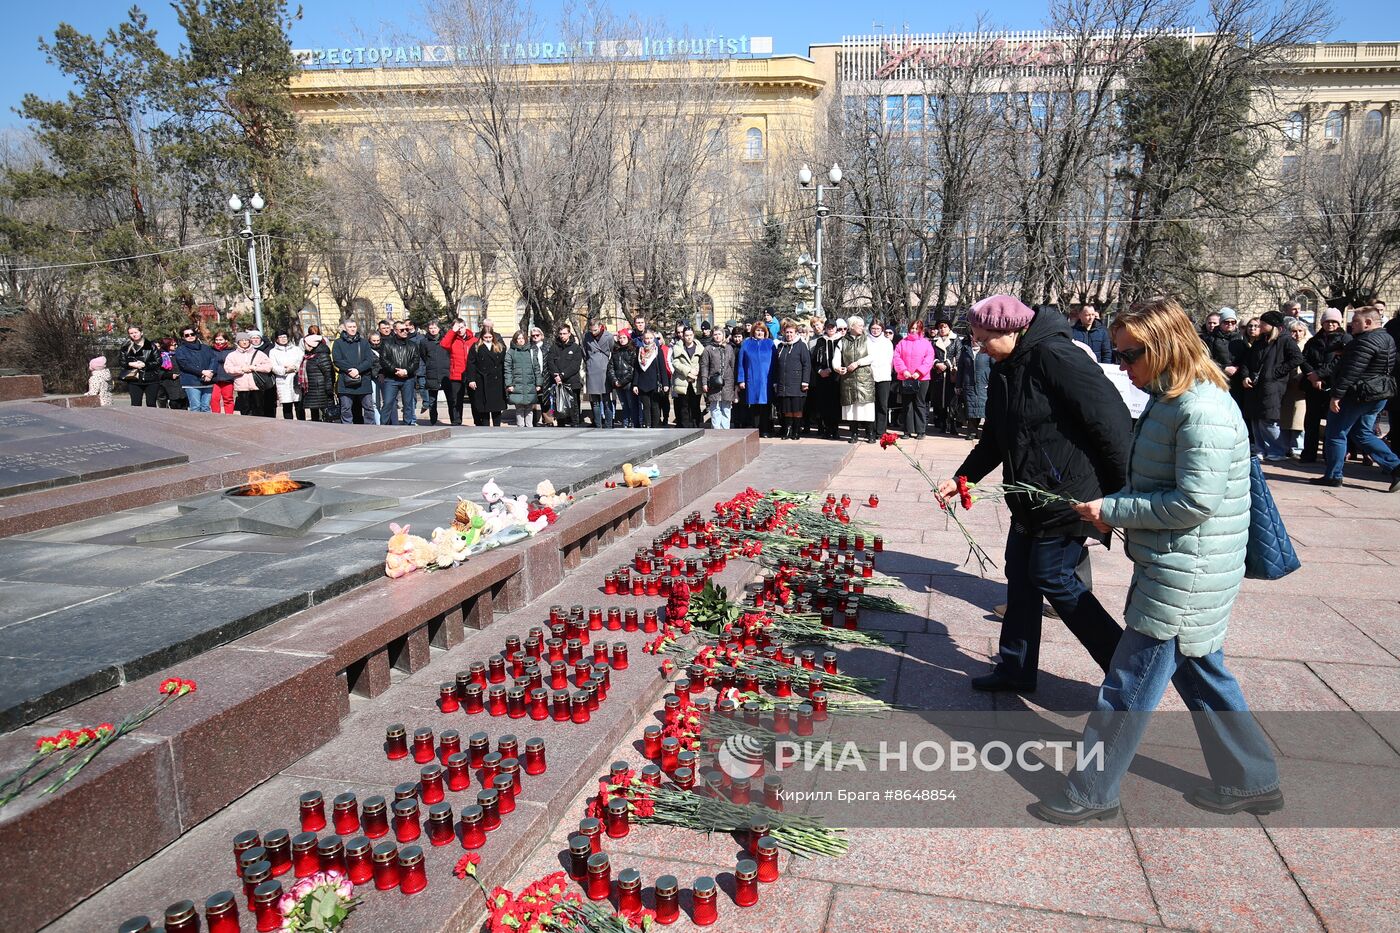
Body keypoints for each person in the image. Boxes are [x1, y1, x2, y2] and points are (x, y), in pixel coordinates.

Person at [1032, 295, 1282, 825]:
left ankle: (1091, 791)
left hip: (1185, 573)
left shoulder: (1199, 408)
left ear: (1165, 345)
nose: (1123, 365)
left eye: (1129, 354)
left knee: (1127, 687)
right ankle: (1253, 778)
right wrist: (1115, 511)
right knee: (1202, 675)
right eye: (1119, 354)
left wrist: (1113, 508)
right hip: (1183, 564)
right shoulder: (1175, 398)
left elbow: (1194, 502)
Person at [938, 295, 1131, 693]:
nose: (980, 348)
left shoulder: (1057, 357)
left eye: (984, 339)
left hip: (1068, 494)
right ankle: (1015, 669)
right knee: (1021, 577)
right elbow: (995, 439)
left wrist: (1120, 497)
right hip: (1028, 497)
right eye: (975, 339)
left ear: (1012, 330)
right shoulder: (1005, 368)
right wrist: (964, 478)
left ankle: (1126, 667)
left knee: (1053, 577)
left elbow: (1110, 422)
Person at [1311, 305, 1400, 490]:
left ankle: (1333, 475)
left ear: (1368, 323)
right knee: (1362, 433)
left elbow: (1352, 372)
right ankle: (1395, 467)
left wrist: (1336, 396)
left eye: (1355, 321)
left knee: (1336, 433)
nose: (1351, 325)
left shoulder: (1364, 342)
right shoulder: (1386, 338)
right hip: (1378, 393)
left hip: (1357, 394)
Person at [1240, 310, 1304, 461]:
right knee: (1255, 419)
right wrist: (1245, 376)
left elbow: (1297, 358)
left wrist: (1275, 373)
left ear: (1274, 325)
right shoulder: (1260, 341)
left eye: (1264, 323)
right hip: (1254, 386)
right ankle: (1261, 449)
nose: (1260, 326)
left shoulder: (1285, 340)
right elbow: (1247, 361)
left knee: (1268, 419)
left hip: (1272, 386)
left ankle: (1277, 450)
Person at [1300, 308, 1350, 462]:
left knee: (1333, 422)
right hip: (1313, 385)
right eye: (1327, 321)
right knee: (1311, 420)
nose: (1330, 324)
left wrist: (1320, 374)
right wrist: (1312, 376)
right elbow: (1303, 359)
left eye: (1334, 321)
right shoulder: (1314, 340)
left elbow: (1340, 362)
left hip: (1333, 386)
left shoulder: (1345, 339)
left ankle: (1330, 455)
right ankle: (1309, 453)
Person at [836, 316, 876, 443]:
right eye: (860, 325)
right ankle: (853, 434)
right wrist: (837, 368)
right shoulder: (842, 341)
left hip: (864, 378)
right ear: (852, 326)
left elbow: (872, 356)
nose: (862, 328)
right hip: (848, 379)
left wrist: (858, 362)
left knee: (866, 407)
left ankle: (870, 434)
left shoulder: (867, 340)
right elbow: (836, 358)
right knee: (851, 408)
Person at [892, 319, 933, 438]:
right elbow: (897, 357)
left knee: (920, 403)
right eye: (912, 328)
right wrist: (903, 370)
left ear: (920, 329)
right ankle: (907, 430)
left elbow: (928, 359)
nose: (914, 330)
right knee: (907, 404)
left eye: (916, 328)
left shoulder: (926, 343)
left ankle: (921, 430)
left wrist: (919, 372)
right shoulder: (902, 342)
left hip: (922, 378)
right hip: (906, 377)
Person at [771, 318, 811, 440]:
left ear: (795, 333)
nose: (789, 335)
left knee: (797, 408)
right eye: (787, 332)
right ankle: (788, 430)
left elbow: (807, 364)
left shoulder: (801, 346)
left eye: (791, 332)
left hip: (797, 383)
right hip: (784, 383)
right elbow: (776, 365)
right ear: (783, 332)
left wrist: (805, 381)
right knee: (787, 408)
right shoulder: (780, 346)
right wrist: (775, 382)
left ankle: (796, 430)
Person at [332, 319, 378, 425]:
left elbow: (369, 360)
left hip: (363, 379)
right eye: (350, 327)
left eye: (354, 327)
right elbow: (337, 360)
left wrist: (358, 370)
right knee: (346, 409)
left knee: (369, 408)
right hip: (346, 380)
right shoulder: (338, 343)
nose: (352, 329)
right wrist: (350, 370)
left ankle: (370, 429)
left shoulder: (364, 342)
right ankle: (348, 430)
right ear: (344, 328)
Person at [378, 320, 422, 426]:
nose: (405, 331)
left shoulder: (413, 345)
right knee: (388, 403)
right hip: (391, 379)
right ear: (395, 330)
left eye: (407, 329)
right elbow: (384, 360)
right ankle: (383, 426)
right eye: (402, 330)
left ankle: (407, 425)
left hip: (408, 379)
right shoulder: (387, 344)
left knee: (408, 404)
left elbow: (416, 361)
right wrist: (395, 371)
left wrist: (406, 371)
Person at [736, 321, 775, 436]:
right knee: (754, 405)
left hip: (766, 380)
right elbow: (741, 363)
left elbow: (776, 362)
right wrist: (741, 379)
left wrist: (775, 380)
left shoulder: (770, 344)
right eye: (757, 330)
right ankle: (755, 429)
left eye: (762, 330)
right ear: (753, 331)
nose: (760, 332)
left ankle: (765, 430)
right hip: (752, 379)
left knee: (765, 405)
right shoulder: (746, 344)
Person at [223, 332, 273, 417]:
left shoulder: (259, 353)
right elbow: (228, 368)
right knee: (245, 410)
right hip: (242, 387)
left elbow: (268, 366)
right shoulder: (232, 355)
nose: (244, 342)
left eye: (246, 340)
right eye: (242, 340)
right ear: (237, 342)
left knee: (259, 409)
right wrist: (241, 369)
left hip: (257, 386)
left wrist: (255, 367)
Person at [808, 319, 843, 439]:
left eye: (833, 327)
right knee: (825, 404)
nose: (831, 329)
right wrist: (820, 371)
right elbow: (813, 360)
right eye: (828, 327)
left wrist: (837, 369)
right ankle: (827, 429)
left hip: (837, 377)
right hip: (823, 378)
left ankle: (836, 429)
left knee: (836, 404)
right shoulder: (821, 341)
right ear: (825, 328)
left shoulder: (841, 340)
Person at [545, 322, 584, 426]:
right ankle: (561, 424)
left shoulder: (575, 348)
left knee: (574, 406)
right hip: (557, 382)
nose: (562, 336)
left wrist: (562, 375)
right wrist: (556, 375)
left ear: (569, 333)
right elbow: (550, 362)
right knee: (559, 406)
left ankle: (575, 423)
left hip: (572, 382)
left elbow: (575, 366)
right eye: (561, 333)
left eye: (564, 333)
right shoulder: (554, 347)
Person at [1281, 319, 1311, 457]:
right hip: (1287, 385)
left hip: (1301, 386)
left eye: (1300, 331)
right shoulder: (1285, 344)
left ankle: (1297, 447)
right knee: (1285, 417)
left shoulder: (1308, 344)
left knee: (1299, 418)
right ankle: (1286, 446)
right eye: (1294, 331)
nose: (1297, 334)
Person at [467, 330, 507, 426]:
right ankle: (485, 428)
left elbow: (504, 363)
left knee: (496, 407)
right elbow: (471, 364)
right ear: (481, 337)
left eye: (490, 337)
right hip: (482, 380)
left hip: (497, 380)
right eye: (486, 337)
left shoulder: (499, 347)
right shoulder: (476, 347)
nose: (488, 339)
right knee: (484, 408)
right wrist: (471, 380)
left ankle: (497, 427)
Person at [699, 325, 736, 429]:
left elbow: (732, 365)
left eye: (719, 334)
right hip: (713, 382)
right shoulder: (708, 349)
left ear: (723, 335)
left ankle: (725, 430)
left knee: (726, 407)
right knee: (715, 407)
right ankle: (716, 430)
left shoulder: (729, 348)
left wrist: (733, 382)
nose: (717, 336)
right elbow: (704, 366)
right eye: (715, 334)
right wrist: (704, 382)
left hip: (727, 382)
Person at [929, 318, 963, 434]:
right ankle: (942, 424)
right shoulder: (934, 341)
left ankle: (952, 424)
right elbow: (930, 355)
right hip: (938, 375)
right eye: (940, 327)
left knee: (952, 401)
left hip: (951, 375)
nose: (942, 329)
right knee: (940, 401)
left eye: (945, 327)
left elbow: (959, 355)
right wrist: (936, 364)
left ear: (949, 328)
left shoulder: (956, 340)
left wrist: (947, 364)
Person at [440, 321, 476, 426]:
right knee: (456, 401)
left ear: (466, 327)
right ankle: (456, 421)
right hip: (456, 374)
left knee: (474, 400)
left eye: (461, 327)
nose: (460, 329)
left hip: (471, 374)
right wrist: (452, 331)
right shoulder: (452, 340)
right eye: (457, 328)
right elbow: (443, 344)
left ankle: (478, 422)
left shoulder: (474, 340)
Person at [173, 326, 216, 413]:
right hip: (191, 382)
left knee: (206, 407)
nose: (190, 336)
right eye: (187, 335)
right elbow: (185, 365)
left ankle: (207, 425)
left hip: (208, 381)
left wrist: (210, 372)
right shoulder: (180, 350)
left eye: (192, 334)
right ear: (183, 337)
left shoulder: (206, 348)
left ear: (196, 335)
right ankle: (195, 426)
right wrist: (202, 372)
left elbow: (214, 360)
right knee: (195, 407)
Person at [633, 331, 670, 427]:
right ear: (643, 339)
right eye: (646, 338)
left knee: (655, 406)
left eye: (650, 338)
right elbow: (636, 369)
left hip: (655, 383)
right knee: (646, 407)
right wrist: (635, 384)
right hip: (642, 383)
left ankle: (655, 426)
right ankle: (648, 426)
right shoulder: (639, 351)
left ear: (653, 339)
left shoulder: (658, 351)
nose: (648, 340)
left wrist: (665, 383)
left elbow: (662, 368)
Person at [504, 329, 541, 427]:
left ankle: (529, 427)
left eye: (522, 338)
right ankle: (520, 428)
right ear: (515, 340)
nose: (520, 340)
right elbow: (507, 369)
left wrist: (538, 383)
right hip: (517, 385)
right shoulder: (511, 352)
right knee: (519, 409)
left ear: (525, 339)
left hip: (530, 384)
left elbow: (536, 368)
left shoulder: (531, 351)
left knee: (529, 409)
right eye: (518, 338)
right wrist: (509, 384)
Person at [956, 336, 991, 440]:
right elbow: (960, 369)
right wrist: (958, 385)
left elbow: (994, 367)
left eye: (977, 340)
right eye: (973, 340)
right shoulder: (966, 351)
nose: (974, 342)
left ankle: (986, 433)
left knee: (984, 409)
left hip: (984, 385)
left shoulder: (987, 351)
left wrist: (991, 381)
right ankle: (971, 432)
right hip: (969, 385)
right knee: (971, 409)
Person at [119, 326, 163, 407]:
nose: (134, 335)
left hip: (151, 378)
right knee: (135, 404)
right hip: (133, 379)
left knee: (151, 404)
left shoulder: (151, 346)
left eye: (136, 332)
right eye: (131, 333)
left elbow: (158, 361)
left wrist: (145, 365)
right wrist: (130, 364)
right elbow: (121, 362)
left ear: (141, 332)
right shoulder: (125, 346)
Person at [583, 319, 616, 428]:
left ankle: (609, 424)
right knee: (595, 401)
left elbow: (613, 351)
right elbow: (584, 351)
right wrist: (588, 363)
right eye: (591, 330)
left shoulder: (609, 336)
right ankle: (598, 424)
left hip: (604, 369)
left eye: (595, 330)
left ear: (601, 327)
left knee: (606, 399)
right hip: (592, 369)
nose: (593, 332)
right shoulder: (587, 336)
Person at [867, 320, 895, 439]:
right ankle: (871, 430)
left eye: (878, 328)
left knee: (882, 404)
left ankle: (881, 431)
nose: (875, 330)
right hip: (869, 376)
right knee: (870, 404)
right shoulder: (866, 340)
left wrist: (889, 372)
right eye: (873, 328)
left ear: (882, 329)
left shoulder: (887, 342)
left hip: (884, 376)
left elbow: (890, 359)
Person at [269, 332, 305, 420]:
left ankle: (303, 424)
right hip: (283, 380)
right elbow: (273, 366)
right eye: (280, 337)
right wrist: (285, 370)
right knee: (287, 406)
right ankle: (289, 426)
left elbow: (302, 360)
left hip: (296, 378)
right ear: (277, 339)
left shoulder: (296, 349)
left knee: (299, 404)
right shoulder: (273, 351)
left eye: (285, 337)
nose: (283, 339)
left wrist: (294, 368)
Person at [671, 326, 702, 429]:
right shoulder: (678, 348)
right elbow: (675, 362)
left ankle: (696, 426)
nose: (688, 337)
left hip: (695, 381)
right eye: (686, 335)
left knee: (695, 406)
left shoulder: (699, 348)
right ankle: (685, 428)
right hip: (682, 380)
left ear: (693, 335)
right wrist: (688, 371)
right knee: (683, 406)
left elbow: (703, 362)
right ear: (683, 336)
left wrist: (695, 371)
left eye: (690, 335)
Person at [300, 332, 336, 422]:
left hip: (321, 390)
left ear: (311, 345)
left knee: (327, 413)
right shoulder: (309, 355)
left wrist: (329, 389)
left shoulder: (322, 355)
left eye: (305, 344)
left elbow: (328, 373)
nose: (304, 346)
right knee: (314, 414)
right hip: (312, 390)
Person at [421, 321, 451, 426]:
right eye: (431, 328)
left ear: (439, 329)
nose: (433, 330)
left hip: (446, 374)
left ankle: (454, 421)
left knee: (451, 400)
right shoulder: (424, 342)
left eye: (435, 327)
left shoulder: (446, 340)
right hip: (432, 374)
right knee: (432, 401)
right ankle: (433, 421)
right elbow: (424, 356)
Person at [609, 329, 640, 428]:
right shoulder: (615, 350)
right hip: (618, 382)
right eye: (620, 338)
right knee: (624, 405)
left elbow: (633, 369)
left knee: (632, 405)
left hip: (628, 383)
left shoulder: (633, 350)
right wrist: (615, 380)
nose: (622, 340)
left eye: (624, 337)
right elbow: (611, 366)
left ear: (628, 338)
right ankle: (625, 423)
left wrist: (622, 382)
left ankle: (633, 423)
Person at [245, 332, 276, 417]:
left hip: (267, 379)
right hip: (252, 380)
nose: (255, 340)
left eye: (257, 338)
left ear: (261, 338)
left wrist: (255, 367)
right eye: (253, 338)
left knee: (269, 403)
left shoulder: (269, 348)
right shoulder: (246, 350)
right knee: (255, 404)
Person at [209, 332, 235, 415]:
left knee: (228, 399)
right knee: (214, 399)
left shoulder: (232, 351)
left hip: (228, 378)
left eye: (221, 339)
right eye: (216, 340)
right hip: (214, 379)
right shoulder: (210, 350)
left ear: (226, 340)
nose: (218, 342)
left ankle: (229, 416)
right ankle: (216, 416)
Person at [728, 326, 749, 428]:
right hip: (732, 378)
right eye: (735, 336)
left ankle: (744, 422)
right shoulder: (730, 347)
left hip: (743, 378)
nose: (737, 339)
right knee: (735, 403)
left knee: (744, 403)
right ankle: (736, 423)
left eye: (739, 336)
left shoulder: (745, 347)